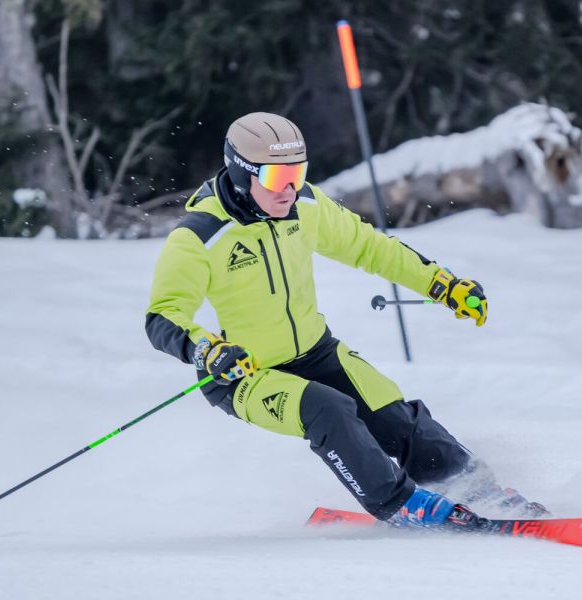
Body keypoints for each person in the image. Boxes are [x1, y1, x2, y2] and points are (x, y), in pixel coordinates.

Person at [145, 112, 544, 529]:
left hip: (316, 351)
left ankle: (477, 490)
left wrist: (440, 284)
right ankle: (400, 504)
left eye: (296, 174)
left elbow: (370, 248)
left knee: (392, 413)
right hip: (244, 374)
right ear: (242, 175)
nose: (289, 189)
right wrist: (204, 349)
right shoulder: (200, 236)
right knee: (327, 409)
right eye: (275, 178)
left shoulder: (306, 207)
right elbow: (162, 316)